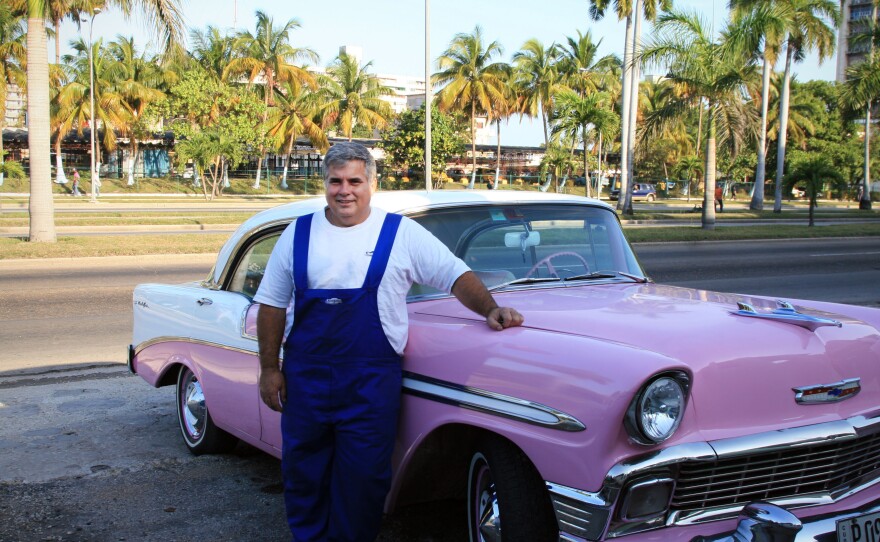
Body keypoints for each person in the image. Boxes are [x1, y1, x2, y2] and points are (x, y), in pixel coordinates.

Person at [254, 141, 523, 542]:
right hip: (304, 380)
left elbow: (455, 274)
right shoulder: (299, 234)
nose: (345, 190)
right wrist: (270, 369)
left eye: (354, 181)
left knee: (364, 477)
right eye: (335, 181)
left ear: (372, 184)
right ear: (324, 184)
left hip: (370, 383)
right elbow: (272, 306)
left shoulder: (401, 234)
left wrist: (490, 308)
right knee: (303, 471)